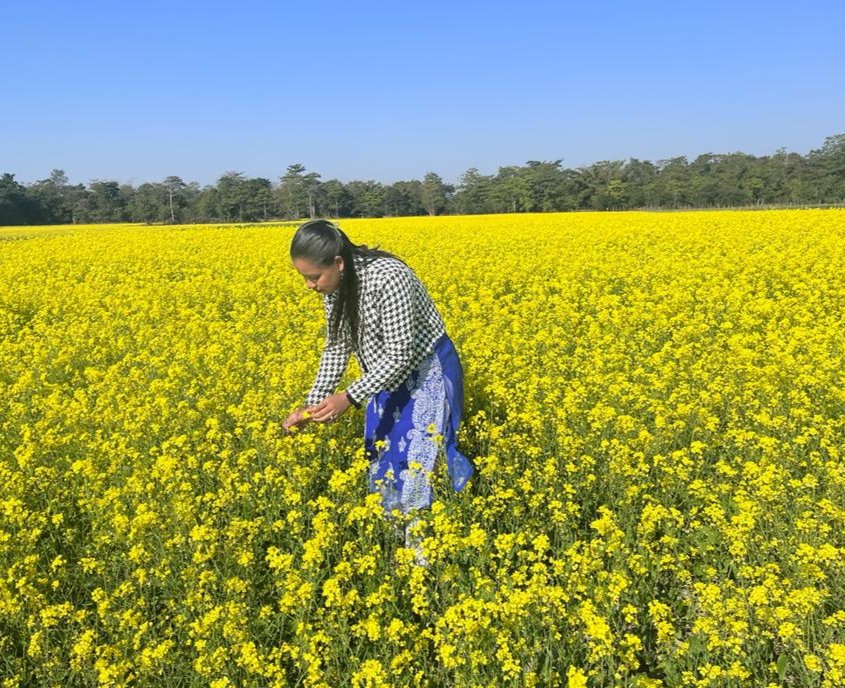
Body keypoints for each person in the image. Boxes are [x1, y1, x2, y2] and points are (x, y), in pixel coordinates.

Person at [282, 219, 474, 545]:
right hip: (382, 378)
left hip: (425, 372)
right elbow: (338, 346)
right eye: (305, 278)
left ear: (338, 263)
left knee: (421, 461)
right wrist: (312, 405)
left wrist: (349, 397)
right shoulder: (336, 286)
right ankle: (399, 545)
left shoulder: (389, 277)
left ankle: (432, 550)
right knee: (385, 459)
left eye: (314, 277)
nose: (309, 286)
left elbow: (399, 355)